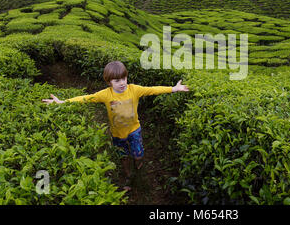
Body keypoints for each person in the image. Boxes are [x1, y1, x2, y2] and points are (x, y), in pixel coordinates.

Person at [42, 60, 189, 191]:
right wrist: (62, 102)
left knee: (138, 155)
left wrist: (173, 89)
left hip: (134, 130)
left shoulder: (134, 89)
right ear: (109, 82)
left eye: (124, 78)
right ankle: (128, 175)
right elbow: (85, 98)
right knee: (123, 156)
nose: (122, 83)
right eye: (117, 80)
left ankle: (138, 165)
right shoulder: (105, 94)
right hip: (117, 134)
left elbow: (152, 89)